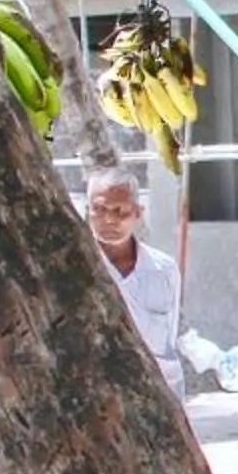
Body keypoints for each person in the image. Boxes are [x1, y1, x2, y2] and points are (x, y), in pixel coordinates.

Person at [86, 167, 185, 398]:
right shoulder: (75, 266)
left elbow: (168, 337)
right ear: (87, 211)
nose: (109, 219)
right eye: (100, 210)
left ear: (138, 213)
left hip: (156, 392)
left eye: (120, 211)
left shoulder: (164, 269)